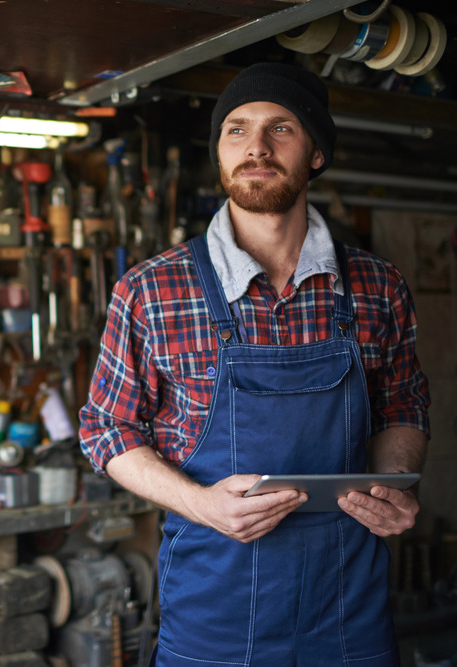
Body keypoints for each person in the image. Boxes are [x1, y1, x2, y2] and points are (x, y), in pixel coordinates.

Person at [79, 62, 430, 666]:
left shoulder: (376, 285)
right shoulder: (152, 289)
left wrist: (393, 481)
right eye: (236, 130)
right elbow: (106, 429)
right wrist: (202, 504)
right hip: (214, 608)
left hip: (349, 608)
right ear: (219, 152)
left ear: (316, 152)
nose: (257, 147)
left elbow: (403, 404)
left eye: (281, 128)